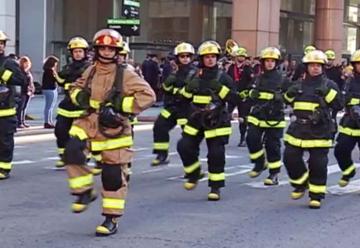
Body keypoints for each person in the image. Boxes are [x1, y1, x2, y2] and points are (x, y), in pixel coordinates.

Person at [63, 29, 155, 236]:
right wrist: (80, 97)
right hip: (88, 121)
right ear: (96, 50)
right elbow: (76, 87)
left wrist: (121, 104)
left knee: (112, 176)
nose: (106, 51)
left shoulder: (126, 74)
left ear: (117, 50)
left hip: (114, 128)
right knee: (72, 151)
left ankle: (110, 218)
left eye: (110, 48)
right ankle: (84, 192)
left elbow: (148, 96)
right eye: (102, 48)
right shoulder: (91, 70)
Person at [177, 40, 237, 201]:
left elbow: (234, 98)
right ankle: (194, 173)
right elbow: (183, 99)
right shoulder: (194, 76)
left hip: (217, 120)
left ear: (217, 58)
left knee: (216, 154)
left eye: (213, 57)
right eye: (206, 57)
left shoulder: (224, 77)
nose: (210, 59)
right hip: (196, 118)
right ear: (201, 59)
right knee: (184, 146)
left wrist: (219, 88)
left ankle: (215, 187)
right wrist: (188, 89)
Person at [283, 50, 343, 209]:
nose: (315, 68)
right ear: (307, 67)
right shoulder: (298, 84)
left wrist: (328, 94)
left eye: (318, 65)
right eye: (312, 65)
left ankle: (316, 195)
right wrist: (289, 94)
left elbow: (338, 105)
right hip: (298, 128)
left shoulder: (329, 85)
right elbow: (286, 100)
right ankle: (301, 183)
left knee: (318, 164)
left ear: (323, 67)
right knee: (290, 157)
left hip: (319, 130)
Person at [246, 47, 289, 185]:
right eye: (267, 61)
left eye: (272, 61)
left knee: (272, 146)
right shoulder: (258, 78)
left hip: (274, 117)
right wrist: (251, 94)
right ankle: (259, 163)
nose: (270, 63)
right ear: (263, 62)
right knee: (251, 139)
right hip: (258, 115)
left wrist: (281, 97)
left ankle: (274, 174)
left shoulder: (283, 79)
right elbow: (249, 91)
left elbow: (292, 95)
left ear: (277, 63)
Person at [151, 42, 197, 166]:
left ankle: (192, 163)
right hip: (172, 107)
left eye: (187, 56)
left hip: (187, 109)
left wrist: (175, 90)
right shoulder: (174, 71)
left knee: (188, 138)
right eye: (182, 56)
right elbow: (164, 87)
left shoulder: (195, 73)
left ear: (191, 57)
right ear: (177, 58)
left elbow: (189, 91)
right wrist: (173, 78)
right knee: (159, 126)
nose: (185, 59)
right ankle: (161, 154)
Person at [53, 37, 91, 169]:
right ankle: (64, 157)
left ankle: (83, 155)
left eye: (80, 51)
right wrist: (54, 73)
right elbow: (62, 81)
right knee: (60, 130)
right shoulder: (68, 67)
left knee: (80, 134)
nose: (78, 54)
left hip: (82, 105)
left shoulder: (90, 68)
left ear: (85, 52)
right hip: (67, 105)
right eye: (75, 52)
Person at [0, 30, 26, 179]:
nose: (0, 46)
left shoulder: (8, 63)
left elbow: (22, 80)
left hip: (5, 110)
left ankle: (4, 168)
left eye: (1, 43)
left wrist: (4, 75)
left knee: (4, 141)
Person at [334, 49, 360, 187]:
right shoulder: (350, 81)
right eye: (359, 64)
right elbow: (343, 99)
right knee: (340, 150)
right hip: (350, 123)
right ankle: (348, 171)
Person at [227, 47, 253, 146]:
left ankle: (243, 138)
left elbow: (252, 81)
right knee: (226, 114)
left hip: (243, 96)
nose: (241, 58)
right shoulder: (231, 68)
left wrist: (247, 92)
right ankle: (224, 136)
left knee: (243, 118)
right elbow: (227, 79)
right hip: (233, 95)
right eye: (239, 56)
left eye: (243, 56)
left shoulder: (247, 69)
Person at [17, 56, 35, 128]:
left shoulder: (27, 71)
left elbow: (31, 81)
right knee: (20, 107)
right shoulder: (20, 71)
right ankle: (19, 122)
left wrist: (32, 88)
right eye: (25, 63)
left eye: (27, 63)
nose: (27, 64)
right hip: (22, 91)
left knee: (24, 107)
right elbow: (22, 81)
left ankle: (23, 121)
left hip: (28, 91)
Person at [42, 55, 59, 128]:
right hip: (50, 89)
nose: (56, 65)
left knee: (50, 106)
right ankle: (47, 122)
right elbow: (54, 79)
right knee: (49, 106)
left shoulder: (47, 70)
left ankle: (49, 121)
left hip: (49, 89)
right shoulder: (50, 71)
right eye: (55, 63)